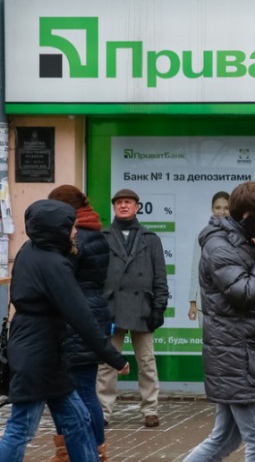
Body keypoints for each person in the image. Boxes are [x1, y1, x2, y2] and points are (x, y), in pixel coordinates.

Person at [0, 200, 129, 462]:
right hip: (37, 356)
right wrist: (113, 357)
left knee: (78, 420)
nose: (75, 231)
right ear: (56, 229)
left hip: (45, 353)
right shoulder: (53, 264)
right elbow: (81, 316)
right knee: (22, 428)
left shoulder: (30, 250)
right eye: (71, 227)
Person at [183, 181, 255, 462]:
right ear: (248, 216)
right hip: (240, 360)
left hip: (246, 357)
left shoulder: (244, 241)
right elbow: (246, 293)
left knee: (225, 438)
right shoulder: (220, 247)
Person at [46, 185, 116, 461]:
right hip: (91, 315)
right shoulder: (95, 233)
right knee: (82, 389)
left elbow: (62, 278)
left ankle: (86, 452)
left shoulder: (77, 239)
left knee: (78, 390)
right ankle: (88, 451)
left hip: (76, 318)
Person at [96, 188, 169, 428]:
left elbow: (160, 277)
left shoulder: (151, 239)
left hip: (142, 307)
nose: (123, 206)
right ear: (114, 207)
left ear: (137, 207)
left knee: (147, 362)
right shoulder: (103, 237)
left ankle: (150, 409)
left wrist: (159, 307)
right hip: (112, 307)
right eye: (119, 203)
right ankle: (103, 411)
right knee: (107, 363)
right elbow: (96, 276)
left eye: (128, 202)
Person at [188, 191, 230, 326]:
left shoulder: (237, 235)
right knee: (206, 339)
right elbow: (196, 268)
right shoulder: (203, 235)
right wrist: (193, 302)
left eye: (226, 208)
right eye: (218, 208)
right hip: (205, 303)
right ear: (212, 209)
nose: (222, 212)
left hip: (230, 303)